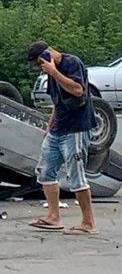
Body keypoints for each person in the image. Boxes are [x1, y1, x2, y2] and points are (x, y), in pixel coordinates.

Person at [27, 40, 98, 235]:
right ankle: (53, 217)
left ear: (47, 55)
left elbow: (78, 90)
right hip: (58, 129)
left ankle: (88, 222)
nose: (41, 69)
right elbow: (57, 104)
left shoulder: (71, 63)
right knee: (45, 170)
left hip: (76, 128)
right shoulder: (51, 76)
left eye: (40, 64)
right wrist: (50, 127)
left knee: (76, 174)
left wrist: (54, 72)